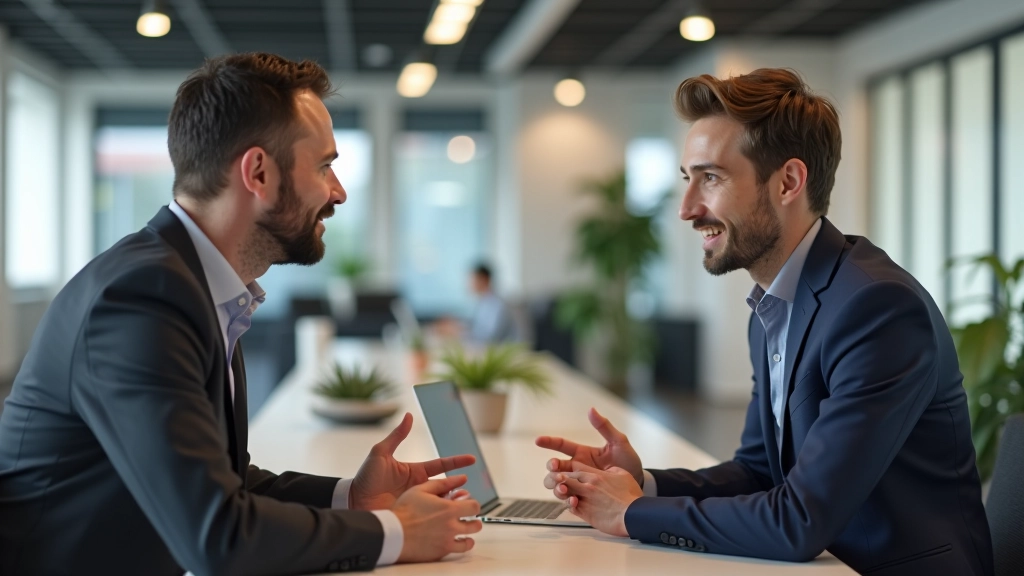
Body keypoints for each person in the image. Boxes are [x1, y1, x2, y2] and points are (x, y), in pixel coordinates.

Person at [0, 53, 482, 576]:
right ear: (258, 172)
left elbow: (223, 482)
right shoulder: (142, 299)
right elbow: (218, 537)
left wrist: (351, 498)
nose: (338, 192)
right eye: (324, 166)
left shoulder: (192, 284)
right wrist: (397, 532)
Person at [536, 68, 993, 576]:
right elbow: (759, 472)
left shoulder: (877, 308)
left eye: (711, 178)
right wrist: (642, 484)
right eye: (688, 179)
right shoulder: (774, 306)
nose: (687, 209)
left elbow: (799, 521)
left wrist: (631, 512)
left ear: (788, 183)